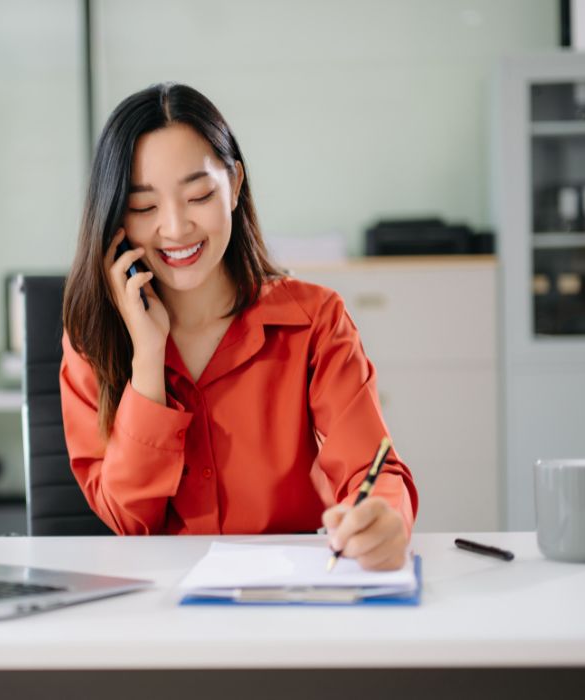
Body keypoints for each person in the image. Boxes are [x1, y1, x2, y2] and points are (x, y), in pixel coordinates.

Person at [60, 83, 418, 571]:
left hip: (287, 604)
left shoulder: (315, 322)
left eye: (199, 194)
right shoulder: (92, 337)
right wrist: (147, 356)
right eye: (144, 207)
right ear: (115, 218)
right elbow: (129, 521)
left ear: (235, 186)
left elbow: (370, 470)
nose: (176, 227)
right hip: (158, 613)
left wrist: (380, 518)